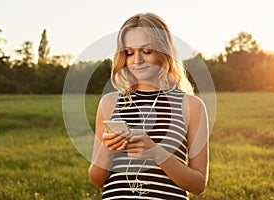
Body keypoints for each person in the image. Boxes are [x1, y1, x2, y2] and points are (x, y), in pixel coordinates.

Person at [89, 12, 209, 199]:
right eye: (129, 53)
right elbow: (96, 180)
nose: (137, 60)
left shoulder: (191, 106)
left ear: (163, 52)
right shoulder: (109, 103)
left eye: (146, 51)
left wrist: (155, 152)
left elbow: (198, 184)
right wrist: (108, 148)